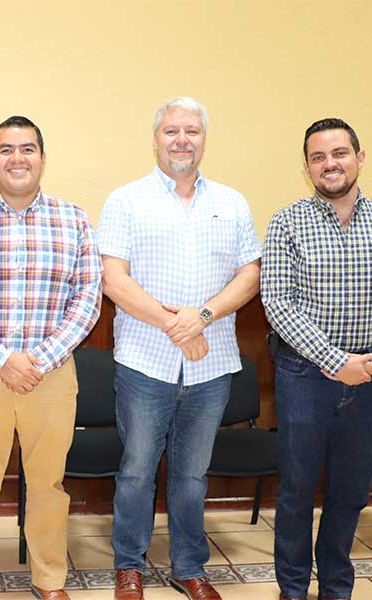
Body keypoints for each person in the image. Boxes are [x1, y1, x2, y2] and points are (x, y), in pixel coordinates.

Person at [96, 97, 261, 600]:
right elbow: (113, 279)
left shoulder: (232, 202)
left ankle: (189, 567)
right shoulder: (126, 200)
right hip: (144, 363)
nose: (182, 140)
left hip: (212, 367)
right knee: (136, 471)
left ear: (204, 139)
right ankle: (129, 566)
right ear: (156, 139)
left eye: (192, 131)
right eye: (171, 131)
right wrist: (177, 325)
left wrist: (202, 317)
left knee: (192, 474)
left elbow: (250, 275)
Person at [0, 115, 101, 600]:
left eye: (27, 149)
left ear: (42, 159)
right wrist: (1, 357)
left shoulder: (74, 220)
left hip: (51, 376)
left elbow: (87, 298)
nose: (17, 158)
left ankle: (50, 580)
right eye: (6, 150)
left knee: (49, 486)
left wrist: (40, 359)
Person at [262, 118, 372, 600]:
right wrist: (335, 361)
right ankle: (292, 589)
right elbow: (278, 302)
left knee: (350, 491)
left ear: (359, 157)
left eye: (339, 153)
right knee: (296, 489)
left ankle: (336, 586)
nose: (329, 164)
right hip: (303, 376)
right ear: (307, 167)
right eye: (318, 157)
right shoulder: (287, 222)